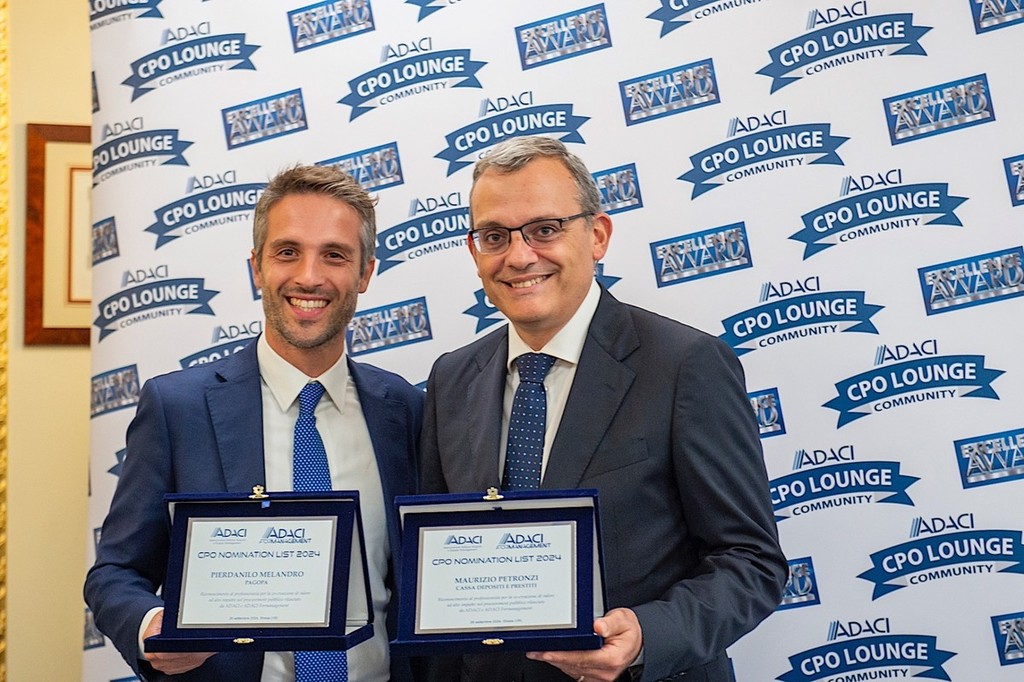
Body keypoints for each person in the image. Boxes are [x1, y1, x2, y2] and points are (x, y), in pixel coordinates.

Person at [420, 137, 787, 682]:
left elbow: (751, 561)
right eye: (494, 236)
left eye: (545, 229)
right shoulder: (452, 379)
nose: (519, 256)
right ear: (475, 253)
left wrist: (646, 635)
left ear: (597, 235)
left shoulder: (685, 364)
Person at [85, 165, 424, 682]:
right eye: (287, 252)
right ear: (257, 268)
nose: (309, 276)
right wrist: (150, 625)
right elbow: (116, 571)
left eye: (334, 255)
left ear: (365, 273)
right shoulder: (178, 409)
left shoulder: (404, 409)